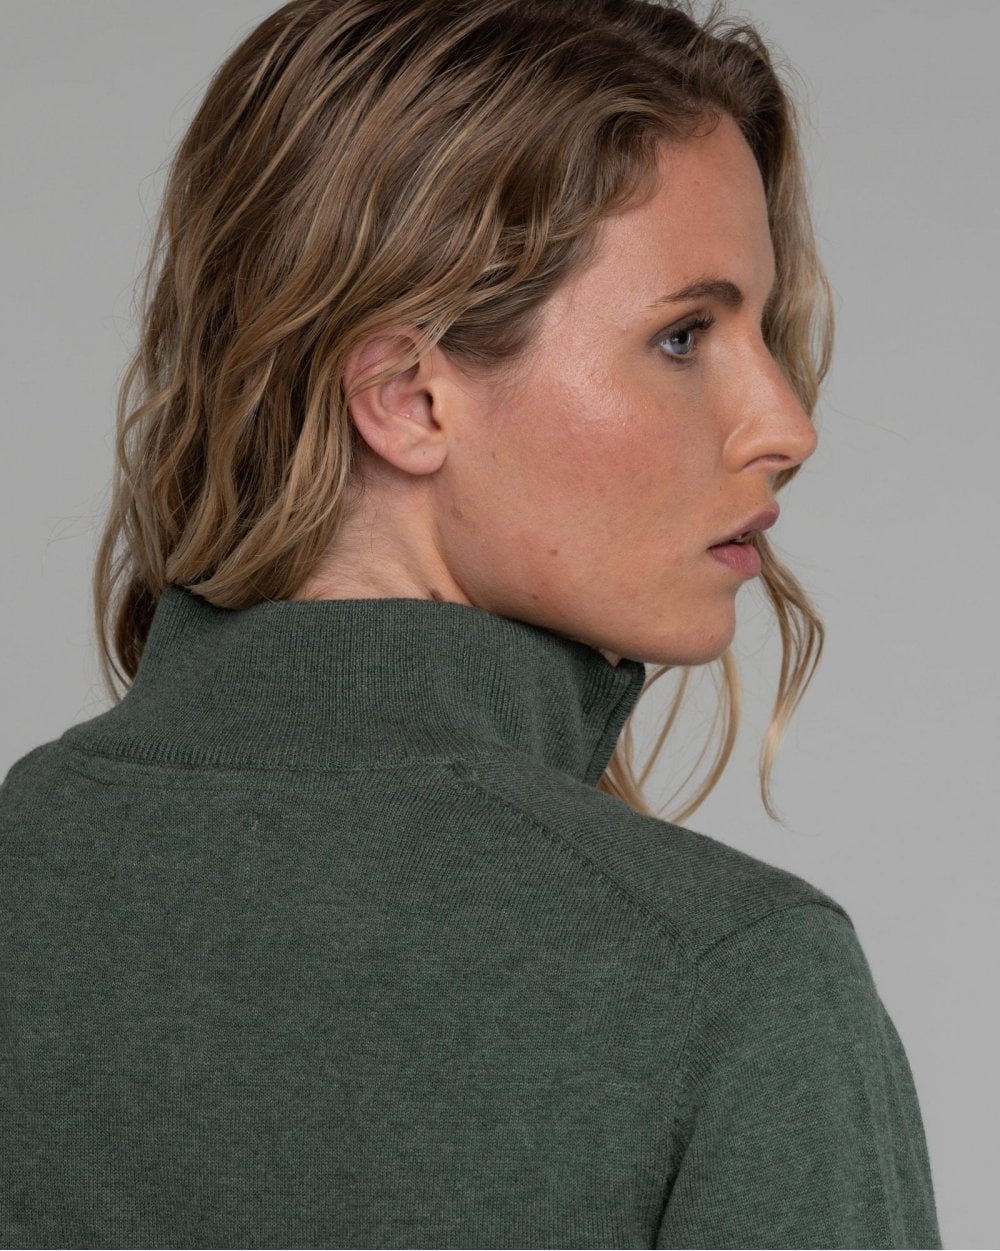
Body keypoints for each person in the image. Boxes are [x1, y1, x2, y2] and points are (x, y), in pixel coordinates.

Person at [0, 1, 942, 1247]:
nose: (785, 424)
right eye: (681, 336)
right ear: (408, 396)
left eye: (758, 333)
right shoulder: (728, 978)